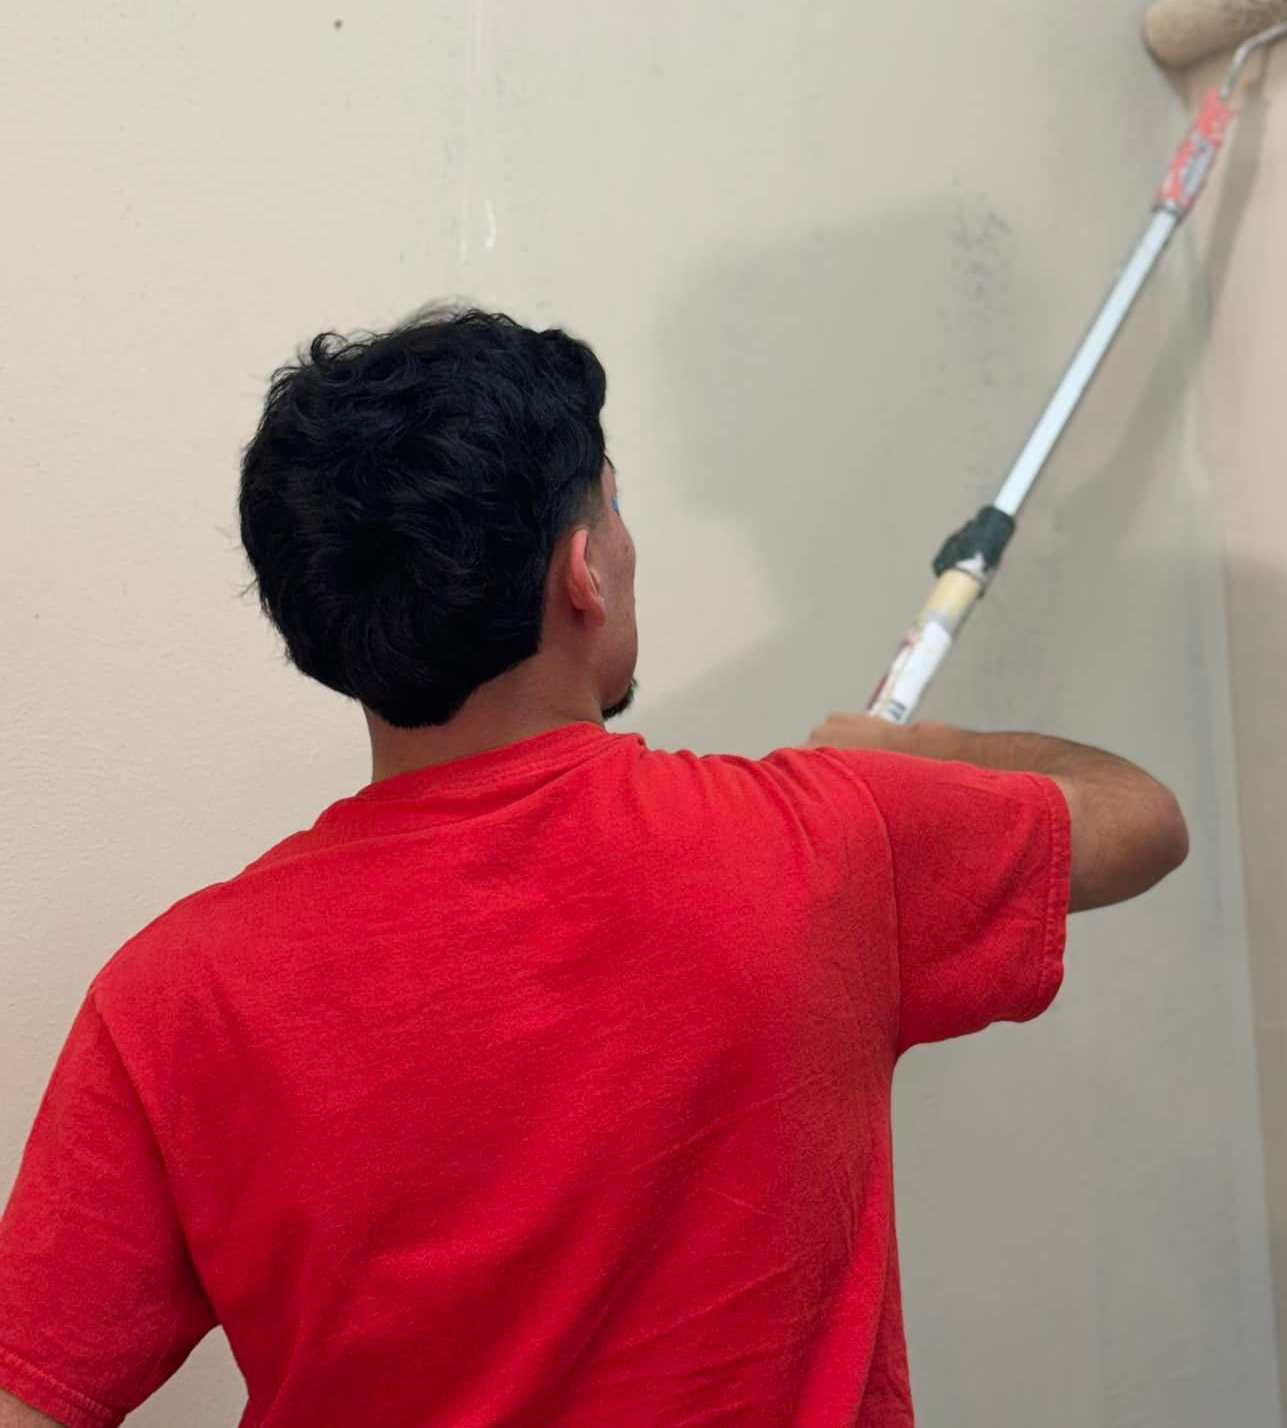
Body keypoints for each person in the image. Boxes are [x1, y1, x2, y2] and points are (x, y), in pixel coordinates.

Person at [0, 308, 1186, 1428]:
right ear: (585, 571)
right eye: (615, 510)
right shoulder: (823, 842)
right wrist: (918, 753)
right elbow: (1139, 816)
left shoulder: (172, 994)